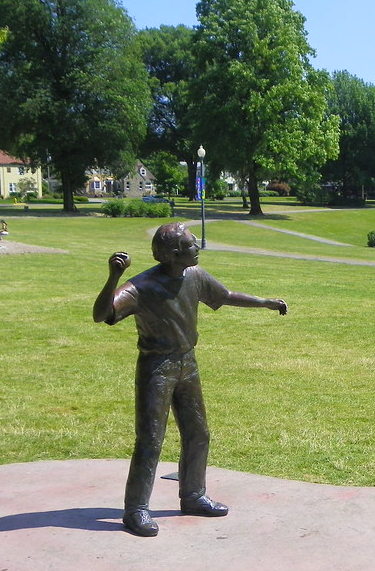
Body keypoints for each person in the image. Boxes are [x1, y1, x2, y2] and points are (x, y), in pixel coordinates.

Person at [92, 222, 288, 537]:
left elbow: (225, 296)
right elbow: (102, 314)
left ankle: (194, 495)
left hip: (187, 363)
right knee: (150, 440)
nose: (197, 247)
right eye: (191, 244)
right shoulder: (141, 287)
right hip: (157, 368)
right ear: (172, 254)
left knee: (198, 433)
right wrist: (114, 277)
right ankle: (136, 509)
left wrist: (265, 302)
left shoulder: (194, 276)